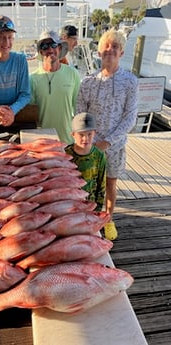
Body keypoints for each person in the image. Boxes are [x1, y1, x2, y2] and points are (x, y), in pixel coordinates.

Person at [76, 28, 138, 240]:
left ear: (121, 52)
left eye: (115, 47)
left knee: (111, 183)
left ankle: (108, 219)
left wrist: (108, 142)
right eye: (106, 46)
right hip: (89, 145)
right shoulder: (88, 81)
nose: (110, 50)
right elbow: (79, 113)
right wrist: (87, 139)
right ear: (99, 51)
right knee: (86, 184)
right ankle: (86, 219)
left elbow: (130, 117)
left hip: (115, 146)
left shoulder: (130, 81)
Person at [30, 30, 81, 144]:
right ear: (41, 52)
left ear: (59, 48)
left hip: (68, 142)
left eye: (53, 45)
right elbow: (31, 115)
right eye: (45, 46)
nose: (50, 49)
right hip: (43, 144)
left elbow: (78, 108)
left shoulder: (73, 74)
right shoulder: (32, 78)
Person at [65, 112, 106, 211]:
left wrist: (98, 208)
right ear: (73, 134)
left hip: (90, 205)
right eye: (81, 134)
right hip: (70, 204)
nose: (85, 138)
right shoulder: (65, 154)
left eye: (89, 134)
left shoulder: (99, 156)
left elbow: (102, 185)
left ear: (94, 133)